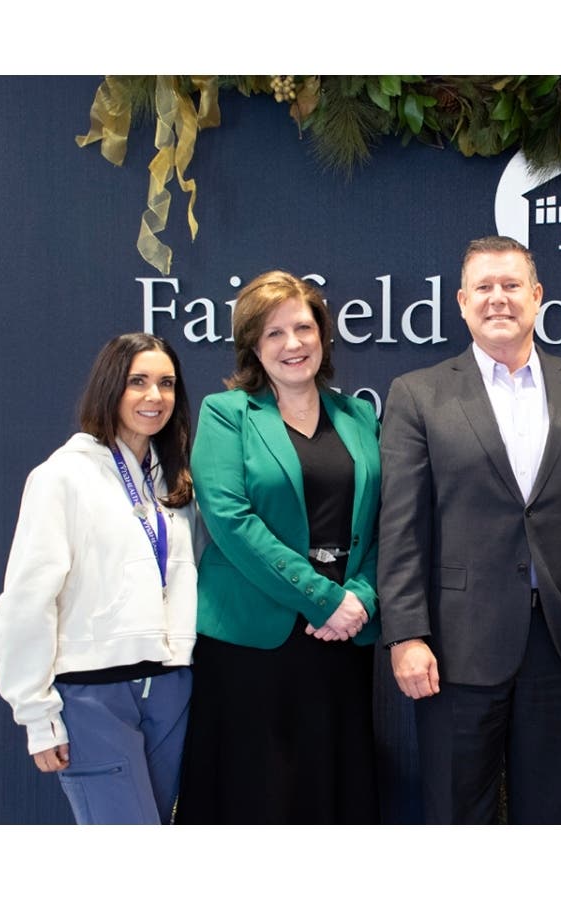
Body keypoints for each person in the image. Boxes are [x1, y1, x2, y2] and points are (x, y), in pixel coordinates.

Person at [378, 235, 561, 824]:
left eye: (511, 285)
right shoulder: (418, 394)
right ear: (462, 302)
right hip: (454, 646)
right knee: (458, 814)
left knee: (550, 813)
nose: (498, 299)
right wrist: (407, 635)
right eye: (484, 288)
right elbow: (402, 526)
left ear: (537, 296)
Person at [176, 270, 381, 823]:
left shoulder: (359, 416)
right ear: (252, 347)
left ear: (323, 336)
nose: (292, 344)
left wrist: (360, 596)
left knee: (331, 793)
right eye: (273, 334)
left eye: (303, 328)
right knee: (255, 796)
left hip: (342, 638)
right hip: (253, 643)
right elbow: (231, 521)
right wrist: (323, 599)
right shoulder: (228, 415)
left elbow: (387, 521)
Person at [0, 333, 198, 824]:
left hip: (171, 686)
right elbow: (26, 601)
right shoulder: (61, 477)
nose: (155, 397)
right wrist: (37, 716)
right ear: (110, 389)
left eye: (166, 384)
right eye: (138, 382)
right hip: (94, 695)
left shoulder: (173, 482)